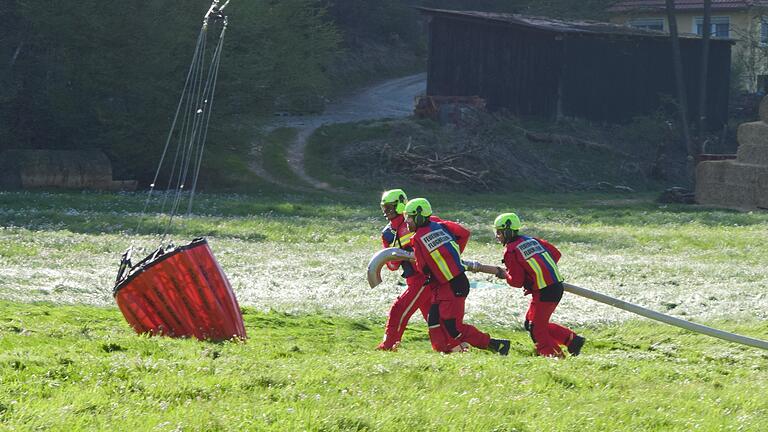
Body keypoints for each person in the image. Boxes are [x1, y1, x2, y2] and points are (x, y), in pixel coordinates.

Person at [405, 198, 510, 355]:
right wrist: (452, 255)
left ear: (419, 217)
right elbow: (464, 233)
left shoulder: (417, 238)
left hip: (451, 286)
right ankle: (445, 352)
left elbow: (422, 267)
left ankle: (495, 345)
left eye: (410, 217)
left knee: (454, 328)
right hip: (448, 284)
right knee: (434, 320)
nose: (407, 221)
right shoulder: (441, 226)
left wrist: (446, 259)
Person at [492, 212, 585, 358]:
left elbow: (516, 281)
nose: (497, 236)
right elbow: (555, 253)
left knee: (536, 329)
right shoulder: (532, 240)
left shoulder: (510, 250)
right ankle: (572, 340)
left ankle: (555, 358)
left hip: (544, 291)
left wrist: (504, 275)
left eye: (499, 232)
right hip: (553, 287)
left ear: (507, 231)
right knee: (530, 324)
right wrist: (541, 269)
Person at [376, 189, 432, 350]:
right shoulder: (387, 233)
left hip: (425, 276)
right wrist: (398, 254)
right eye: (384, 208)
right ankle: (460, 344)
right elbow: (392, 266)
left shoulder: (416, 221)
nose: (386, 212)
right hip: (412, 278)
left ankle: (388, 345)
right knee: (434, 319)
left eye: (389, 207)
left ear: (400, 205)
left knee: (398, 309)